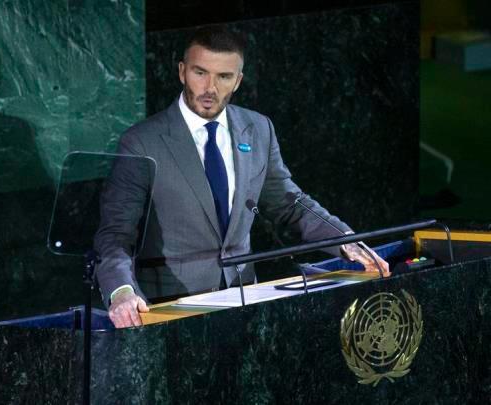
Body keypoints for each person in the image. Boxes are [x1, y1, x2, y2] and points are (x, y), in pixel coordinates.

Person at [94, 26, 389, 328]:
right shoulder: (141, 142)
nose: (210, 88)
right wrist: (121, 291)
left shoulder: (258, 128)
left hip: (245, 304)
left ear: (238, 81)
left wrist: (346, 240)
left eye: (223, 77)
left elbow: (290, 204)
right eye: (200, 73)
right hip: (172, 309)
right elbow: (116, 234)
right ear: (182, 72)